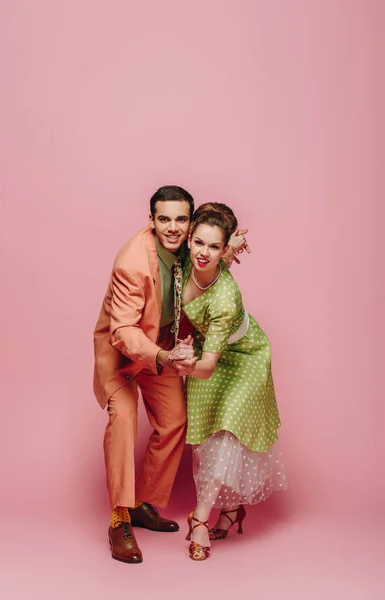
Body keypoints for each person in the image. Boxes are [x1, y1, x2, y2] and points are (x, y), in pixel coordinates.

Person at [93, 186, 249, 564]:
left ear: (190, 222)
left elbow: (206, 252)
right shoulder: (131, 262)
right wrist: (163, 355)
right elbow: (123, 331)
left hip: (161, 346)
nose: (174, 228)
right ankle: (119, 520)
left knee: (175, 421)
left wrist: (231, 245)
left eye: (181, 219)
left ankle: (142, 503)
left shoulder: (185, 243)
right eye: (164, 219)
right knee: (125, 420)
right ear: (151, 221)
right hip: (123, 355)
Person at [170, 204, 287, 561]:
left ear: (224, 253)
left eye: (215, 247)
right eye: (199, 243)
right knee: (209, 438)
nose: (204, 253)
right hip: (208, 349)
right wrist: (230, 242)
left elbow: (205, 368)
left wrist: (182, 364)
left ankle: (200, 520)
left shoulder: (225, 298)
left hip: (244, 357)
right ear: (189, 239)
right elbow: (209, 249)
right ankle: (232, 509)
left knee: (230, 430)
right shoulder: (187, 258)